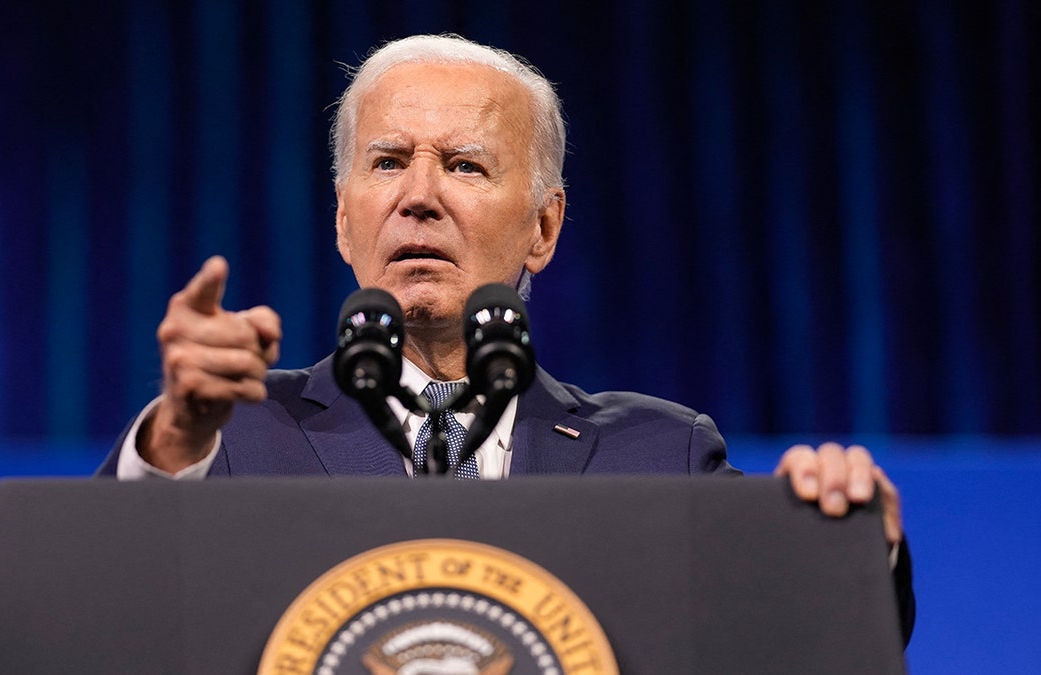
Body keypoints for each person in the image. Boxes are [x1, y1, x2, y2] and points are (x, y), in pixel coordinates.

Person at [96, 33, 913, 641]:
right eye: (386, 163)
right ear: (344, 220)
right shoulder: (231, 438)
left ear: (544, 227)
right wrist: (172, 442)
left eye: (464, 165)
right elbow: (99, 627)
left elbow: (795, 639)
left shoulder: (659, 454)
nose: (418, 196)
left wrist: (843, 538)